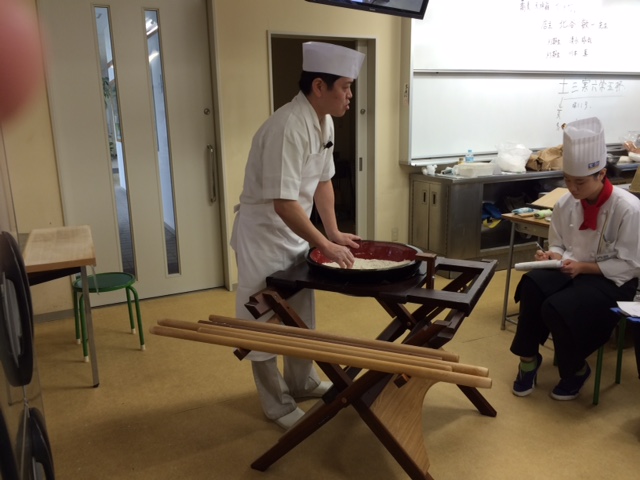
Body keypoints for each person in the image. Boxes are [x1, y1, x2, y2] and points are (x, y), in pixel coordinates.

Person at [230, 42, 364, 428]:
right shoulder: (288, 126)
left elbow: (323, 181)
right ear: (319, 86)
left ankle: (302, 380)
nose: (350, 96)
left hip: (295, 233)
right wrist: (323, 243)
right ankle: (277, 403)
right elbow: (284, 204)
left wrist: (333, 231)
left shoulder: (325, 122)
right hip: (264, 236)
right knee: (263, 319)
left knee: (300, 309)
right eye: (345, 87)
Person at [510, 117, 640, 401]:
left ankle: (576, 370)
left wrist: (584, 267)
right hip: (570, 267)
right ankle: (528, 360)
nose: (572, 188)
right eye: (568, 181)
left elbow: (631, 264)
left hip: (611, 279)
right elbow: (558, 241)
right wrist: (551, 255)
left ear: (601, 174)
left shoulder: (628, 208)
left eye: (579, 182)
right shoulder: (565, 203)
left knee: (558, 308)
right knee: (532, 285)